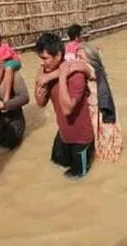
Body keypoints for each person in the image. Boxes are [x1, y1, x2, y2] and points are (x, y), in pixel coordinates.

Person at [34, 32, 94, 179]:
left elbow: (67, 109)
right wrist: (39, 90)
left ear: (59, 55)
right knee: (54, 168)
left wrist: (61, 77)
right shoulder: (45, 72)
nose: (42, 63)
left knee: (78, 180)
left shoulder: (76, 76)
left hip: (81, 140)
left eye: (45, 58)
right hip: (63, 135)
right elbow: (41, 104)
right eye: (40, 58)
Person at [74, 44, 123, 162]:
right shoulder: (95, 68)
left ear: (90, 59)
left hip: (99, 111)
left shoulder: (92, 69)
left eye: (80, 57)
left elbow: (83, 68)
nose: (77, 60)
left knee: (103, 148)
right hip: (94, 110)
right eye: (76, 57)